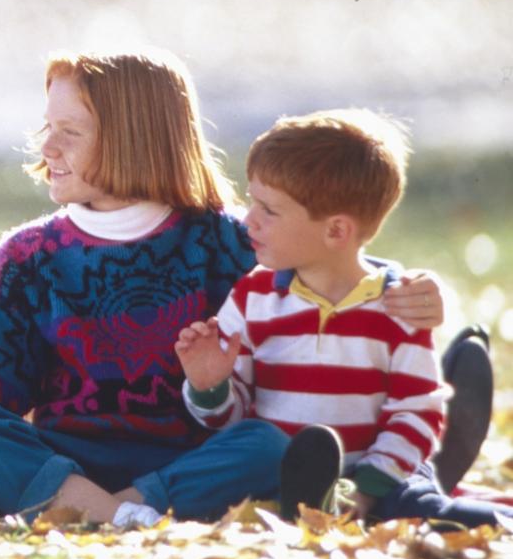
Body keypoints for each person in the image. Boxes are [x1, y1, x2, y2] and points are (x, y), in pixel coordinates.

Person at [0, 49, 447, 527]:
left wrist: (408, 285)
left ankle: (86, 514)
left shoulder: (228, 241)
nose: (47, 147)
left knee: (270, 444)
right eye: (46, 128)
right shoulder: (31, 255)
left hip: (196, 461)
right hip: (66, 460)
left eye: (69, 132)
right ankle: (115, 515)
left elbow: (329, 264)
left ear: (135, 139)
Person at [176, 109, 512, 528]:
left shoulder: (398, 306)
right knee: (273, 505)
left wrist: (370, 488)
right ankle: (318, 504)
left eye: (269, 210)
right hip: (282, 477)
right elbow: (234, 420)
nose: (249, 220)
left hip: (383, 477)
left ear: (336, 231)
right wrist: (210, 387)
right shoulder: (253, 297)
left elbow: (416, 410)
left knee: (428, 512)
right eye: (252, 201)